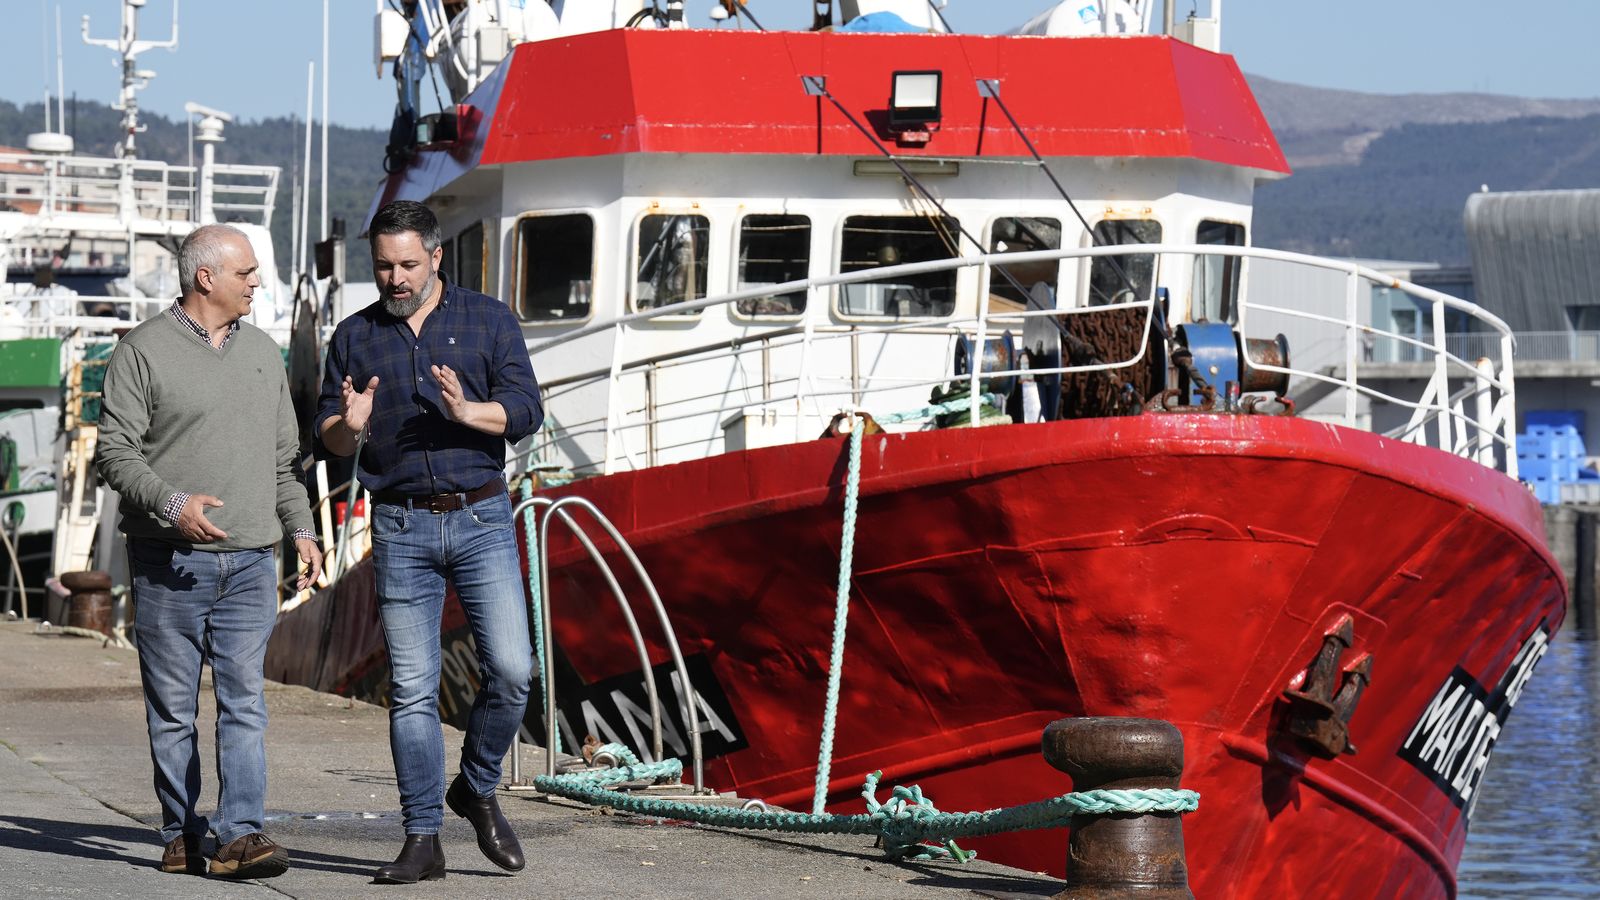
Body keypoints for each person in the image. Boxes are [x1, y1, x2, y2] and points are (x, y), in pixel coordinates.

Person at [315, 200, 543, 884]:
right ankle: (422, 839)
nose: (396, 278)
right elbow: (328, 436)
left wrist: (469, 412)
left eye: (409, 264)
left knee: (513, 670)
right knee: (412, 689)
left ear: (436, 258)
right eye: (384, 266)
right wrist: (349, 426)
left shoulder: (489, 320)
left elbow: (526, 409)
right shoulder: (353, 336)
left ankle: (475, 786)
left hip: (481, 517)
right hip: (400, 524)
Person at [95, 223, 323, 879]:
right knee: (172, 709)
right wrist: (173, 505)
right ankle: (182, 832)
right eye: (246, 273)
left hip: (252, 562)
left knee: (244, 703)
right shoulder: (141, 352)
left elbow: (284, 461)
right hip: (168, 563)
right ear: (206, 278)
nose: (256, 283)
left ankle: (240, 833)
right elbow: (115, 453)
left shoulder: (263, 352)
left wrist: (302, 530)